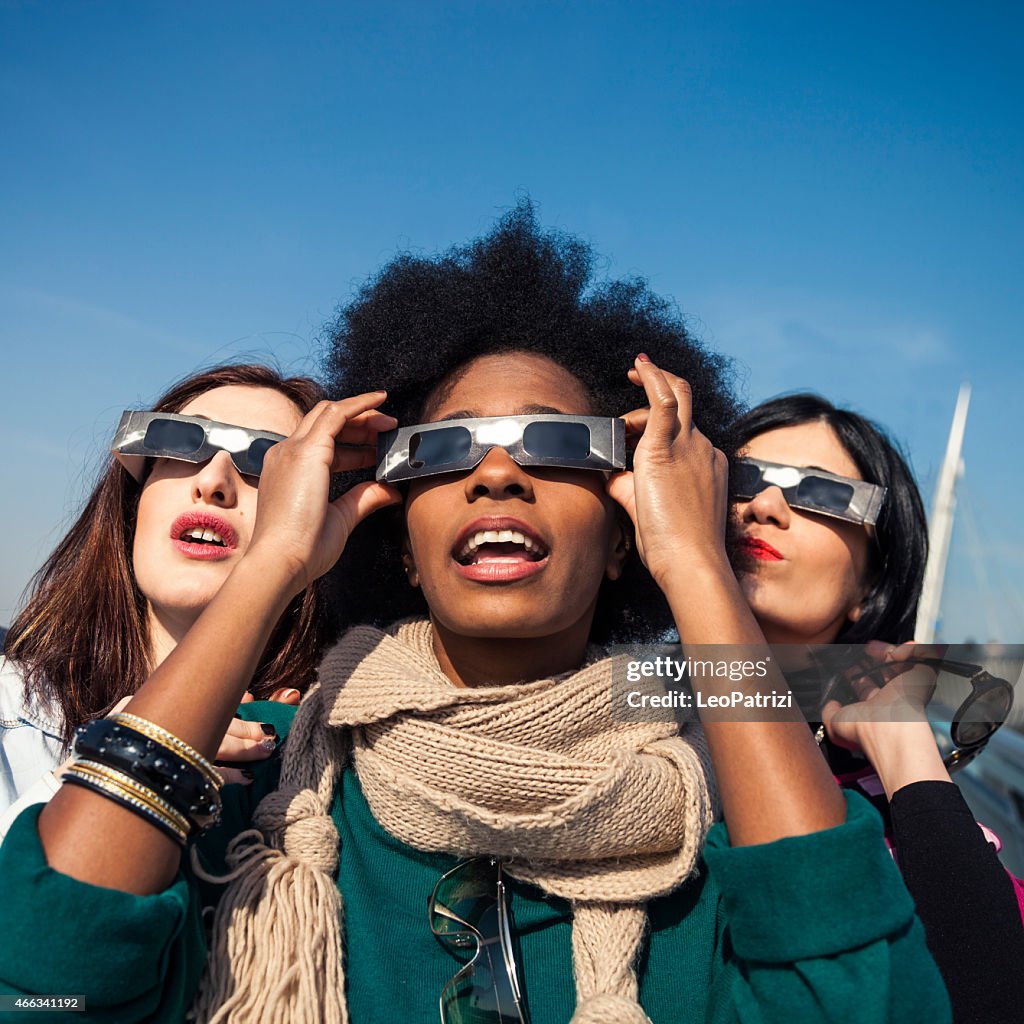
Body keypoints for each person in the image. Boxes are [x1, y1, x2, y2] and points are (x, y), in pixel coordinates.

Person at [0, 208, 950, 1023]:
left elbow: (860, 997)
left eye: (553, 444)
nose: (497, 472)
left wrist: (698, 563)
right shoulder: (262, 791)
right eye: (448, 450)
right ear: (402, 542)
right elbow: (46, 982)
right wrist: (275, 566)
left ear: (624, 531)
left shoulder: (731, 815)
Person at [730, 393, 1024, 1024]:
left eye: (824, 495)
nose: (765, 505)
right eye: (741, 478)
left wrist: (903, 747)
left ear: (871, 584)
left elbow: (992, 994)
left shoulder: (899, 815)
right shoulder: (599, 710)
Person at [0, 364, 333, 828]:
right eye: (182, 443)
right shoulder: (8, 708)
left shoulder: (349, 753)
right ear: (137, 500)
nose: (214, 481)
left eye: (267, 462)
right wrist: (112, 768)